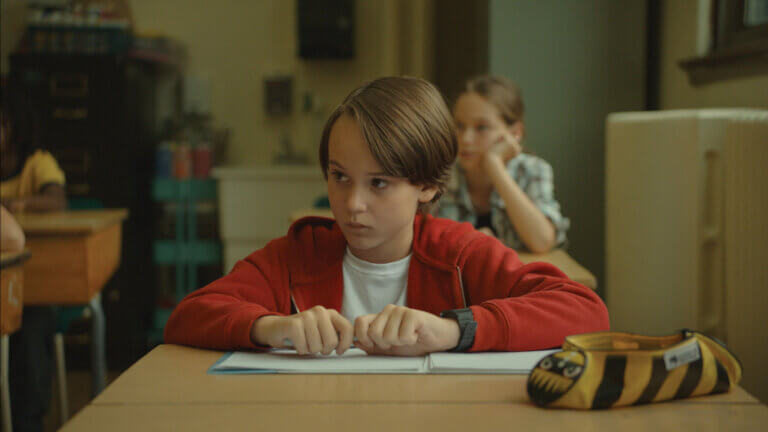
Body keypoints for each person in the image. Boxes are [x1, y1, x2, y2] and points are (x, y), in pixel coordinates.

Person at [165, 77, 608, 357]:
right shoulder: (297, 254)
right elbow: (189, 314)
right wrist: (271, 327)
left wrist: (453, 330)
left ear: (429, 186)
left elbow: (586, 311)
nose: (353, 204)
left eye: (379, 183)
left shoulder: (458, 251)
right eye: (339, 176)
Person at [436, 75, 569, 253]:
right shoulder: (442, 173)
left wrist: (495, 166)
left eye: (481, 127)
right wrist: (474, 243)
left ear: (515, 133)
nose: (465, 139)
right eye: (459, 125)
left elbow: (542, 242)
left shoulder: (533, 170)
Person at [1, 90, 66, 432]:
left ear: (14, 129)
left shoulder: (36, 163)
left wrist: (19, 204)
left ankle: (27, 422)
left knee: (30, 331)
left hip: (30, 291)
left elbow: (56, 201)